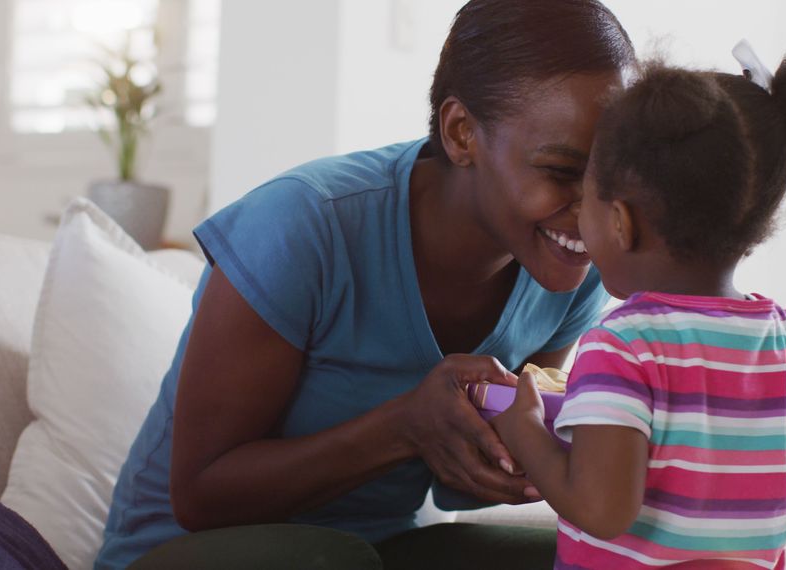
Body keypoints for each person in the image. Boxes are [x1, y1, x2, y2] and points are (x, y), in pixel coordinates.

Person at [95, 1, 636, 568]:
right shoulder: (303, 226)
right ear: (462, 134)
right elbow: (201, 497)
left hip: (384, 550)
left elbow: (466, 481)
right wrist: (406, 426)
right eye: (560, 171)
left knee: (598, 560)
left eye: (611, 176)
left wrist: (522, 458)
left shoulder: (576, 264)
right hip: (183, 552)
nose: (594, 211)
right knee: (332, 559)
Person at [491, 43, 786, 569]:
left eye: (587, 198)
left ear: (620, 221)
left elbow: (601, 510)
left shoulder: (622, 344)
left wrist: (525, 430)